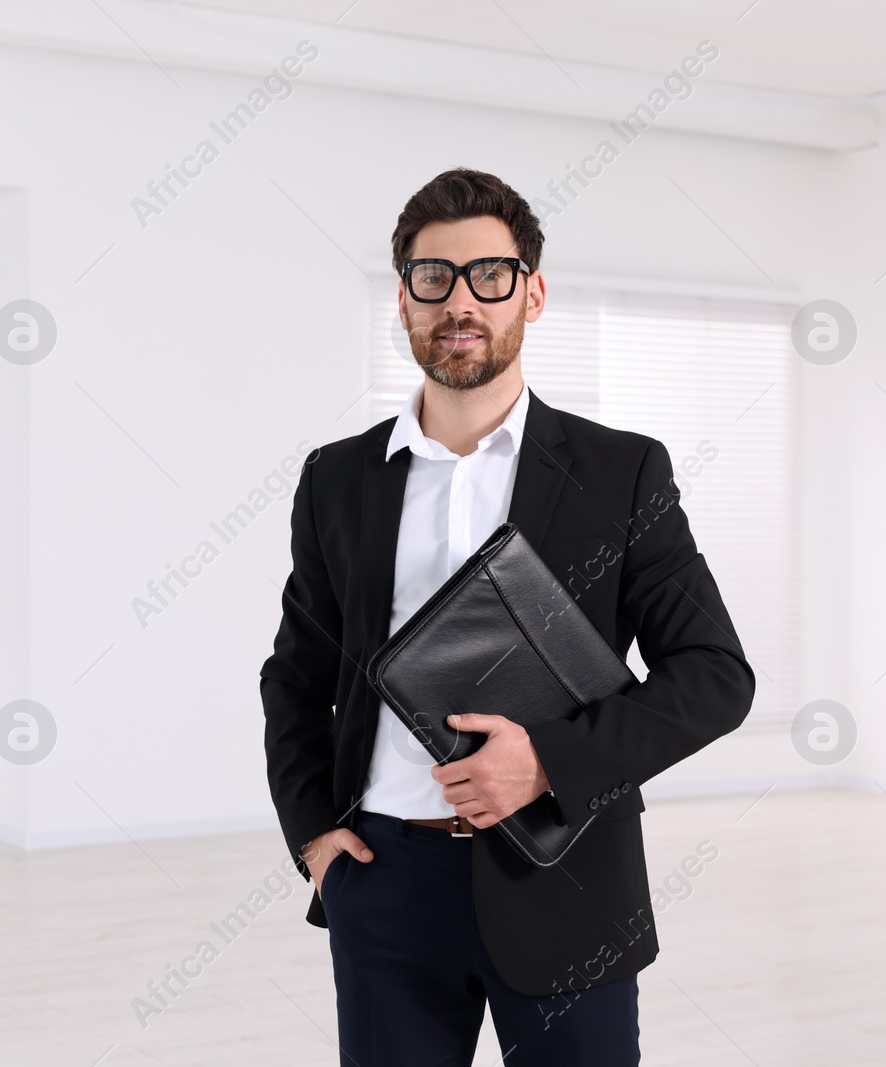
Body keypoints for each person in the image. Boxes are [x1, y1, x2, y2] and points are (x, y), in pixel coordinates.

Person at [260, 167, 755, 1066]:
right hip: (385, 884)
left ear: (531, 292)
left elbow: (715, 676)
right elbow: (296, 673)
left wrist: (547, 764)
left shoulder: (622, 472)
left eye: (489, 275)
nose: (460, 301)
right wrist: (314, 837)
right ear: (403, 299)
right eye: (432, 277)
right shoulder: (337, 478)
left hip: (570, 883)